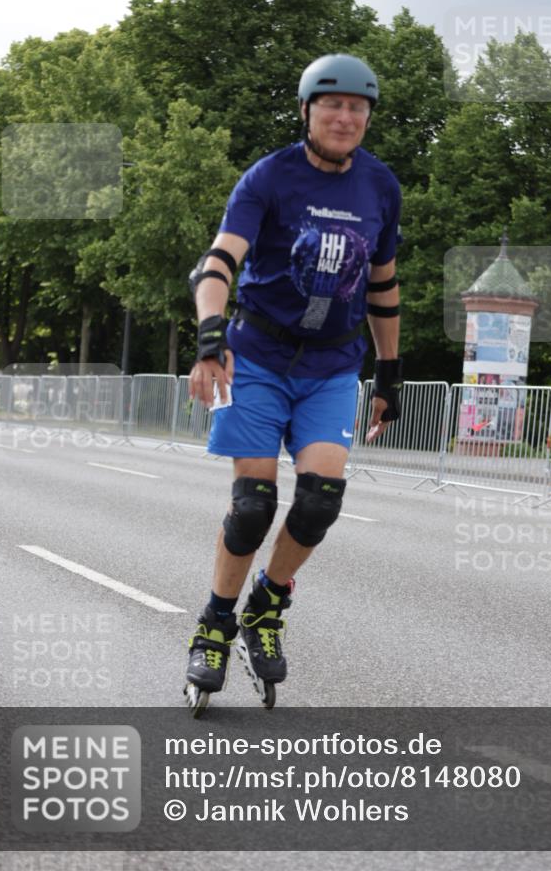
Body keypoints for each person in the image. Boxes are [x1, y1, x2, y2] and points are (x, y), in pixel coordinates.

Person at [185, 53, 403, 713]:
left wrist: (388, 370)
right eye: (331, 105)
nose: (344, 117)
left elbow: (383, 285)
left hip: (331, 367)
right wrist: (209, 336)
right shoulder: (269, 177)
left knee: (318, 502)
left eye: (357, 108)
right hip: (254, 358)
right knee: (252, 504)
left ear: (366, 119)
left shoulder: (380, 188)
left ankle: (265, 606)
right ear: (307, 111)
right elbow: (219, 261)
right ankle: (215, 624)